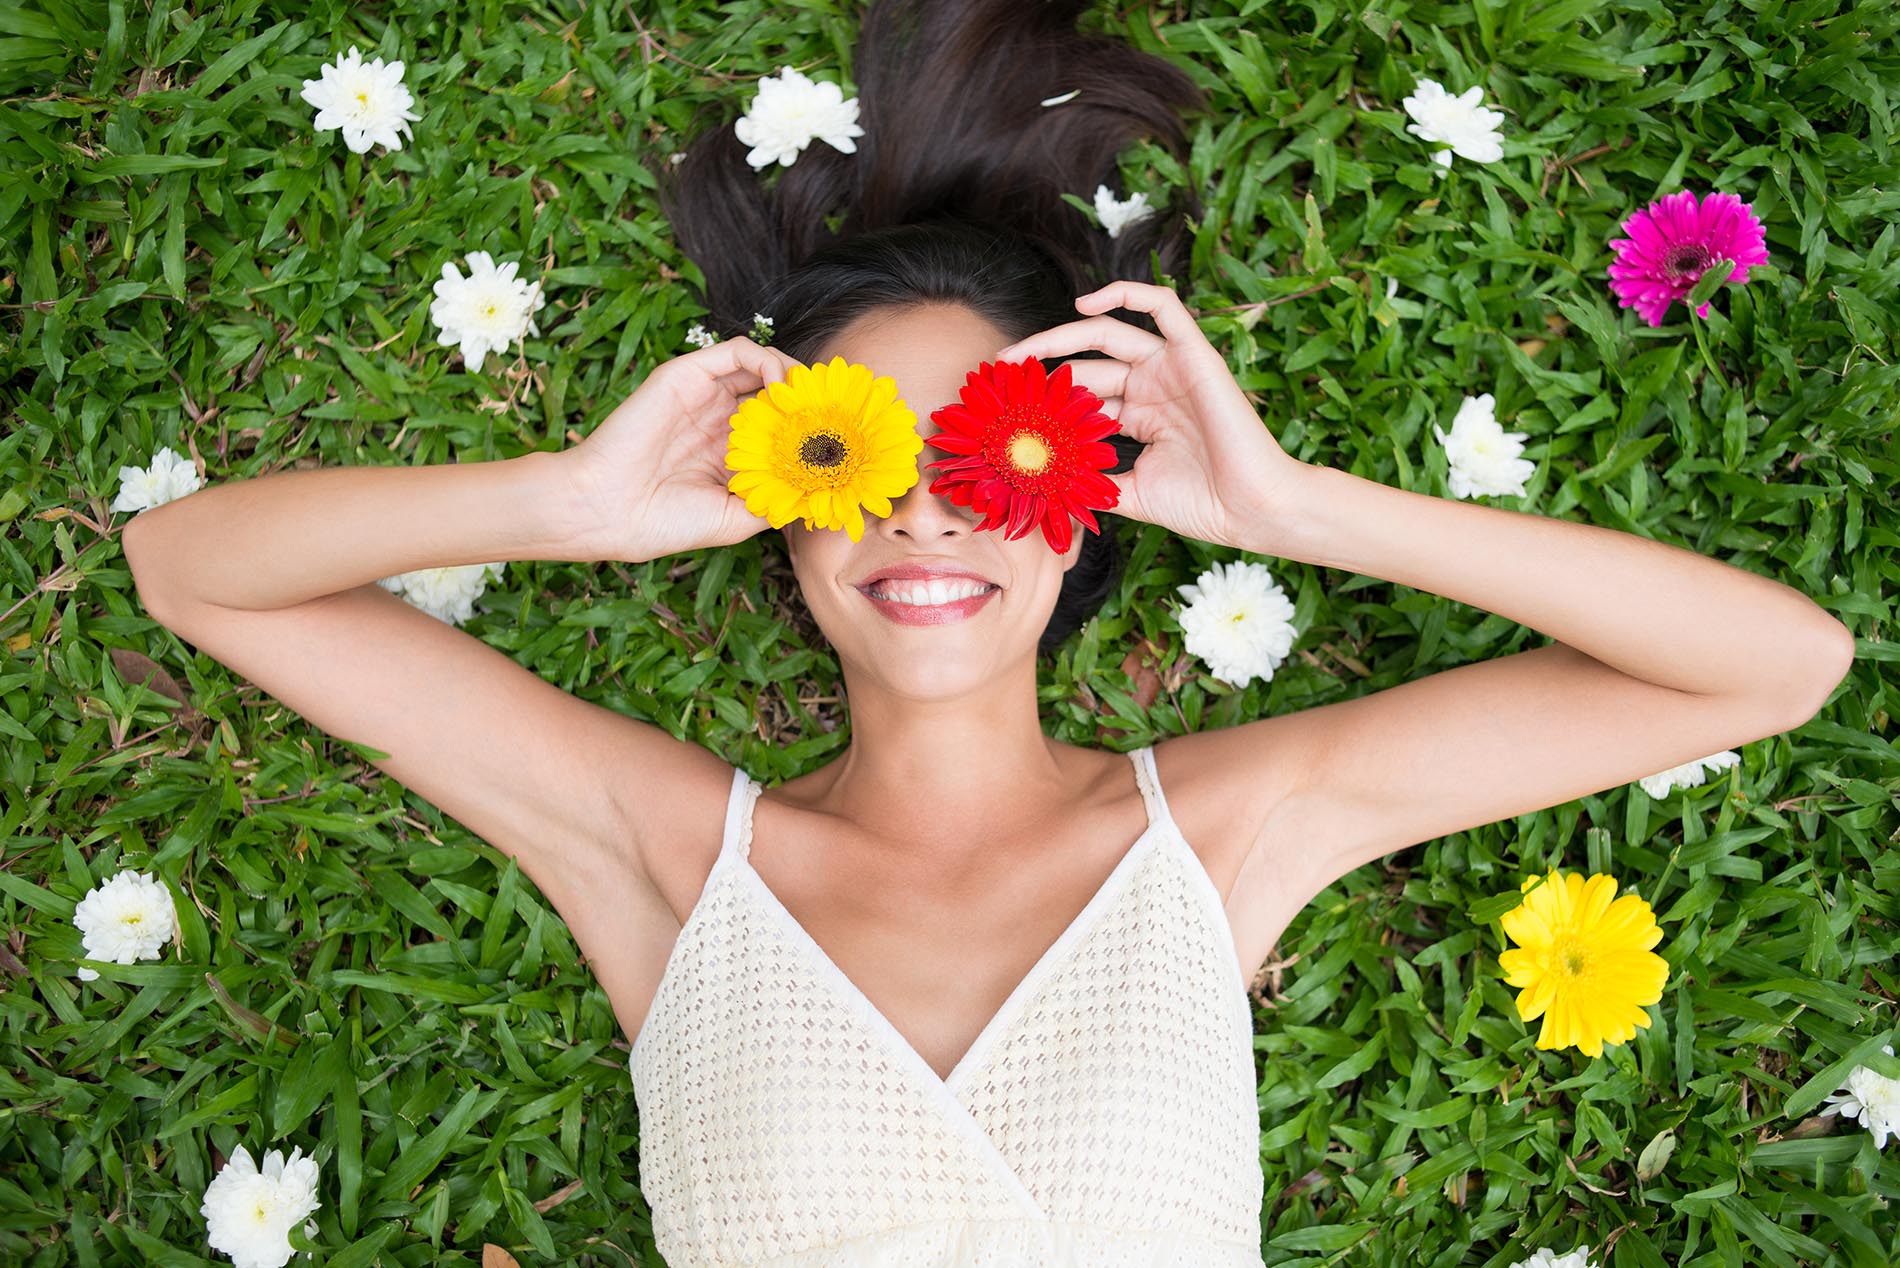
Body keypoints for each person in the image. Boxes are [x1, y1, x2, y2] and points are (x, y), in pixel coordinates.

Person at [120, 0, 1854, 1263]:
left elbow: (1777, 667)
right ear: (784, 505)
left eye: (983, 457)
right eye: (857, 454)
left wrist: (1294, 511)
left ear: (1077, 498)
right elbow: (192, 571)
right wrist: (566, 505)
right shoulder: (664, 857)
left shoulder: (1223, 837)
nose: (926, 511)